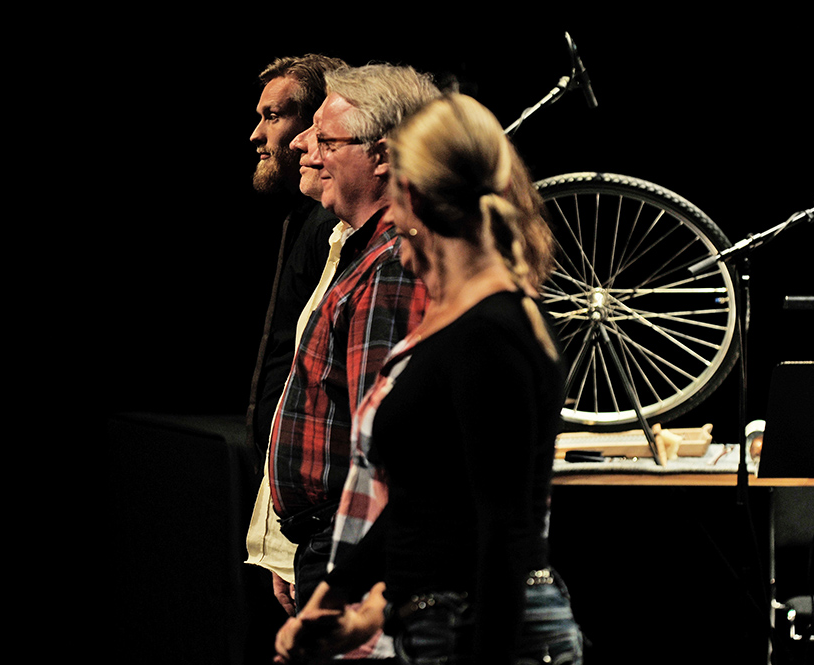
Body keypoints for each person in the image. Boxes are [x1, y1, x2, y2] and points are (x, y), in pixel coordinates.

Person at [274, 94, 583, 664]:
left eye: (395, 198)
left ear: (413, 198)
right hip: (441, 621)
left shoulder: (493, 330)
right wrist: (337, 596)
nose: (391, 219)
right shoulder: (461, 321)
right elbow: (426, 498)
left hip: (488, 626)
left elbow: (503, 532)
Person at [266, 64, 440, 624]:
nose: (302, 146)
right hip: (332, 541)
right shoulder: (362, 252)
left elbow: (384, 452)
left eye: (325, 138)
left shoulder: (391, 267)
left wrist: (344, 585)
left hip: (355, 548)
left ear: (382, 155)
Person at [243, 53, 348, 621]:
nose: (256, 134)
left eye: (274, 116)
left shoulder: (332, 226)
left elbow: (319, 385)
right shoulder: (308, 220)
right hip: (301, 514)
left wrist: (286, 541)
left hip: (321, 522)